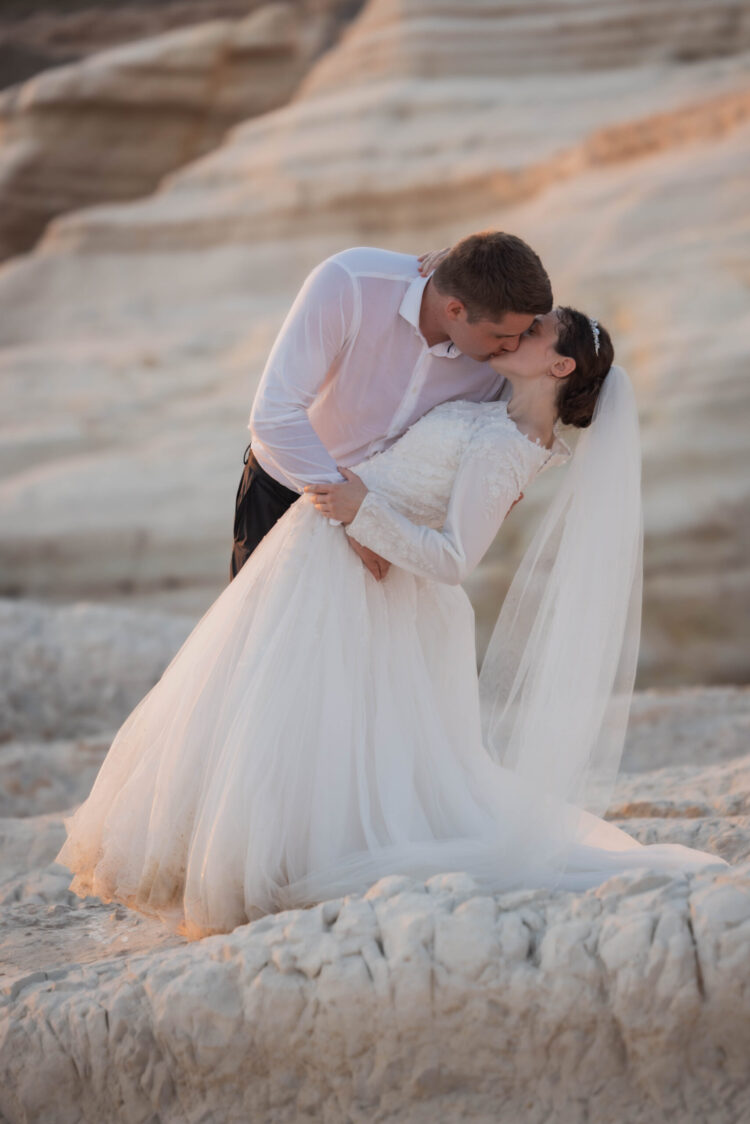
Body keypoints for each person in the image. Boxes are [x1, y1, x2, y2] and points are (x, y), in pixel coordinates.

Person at [54, 298, 729, 940]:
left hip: (355, 573)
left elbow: (454, 558)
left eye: (534, 332)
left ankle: (266, 866)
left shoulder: (511, 445)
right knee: (270, 711)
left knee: (299, 720)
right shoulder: (498, 408)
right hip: (323, 556)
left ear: (560, 366)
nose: (515, 332)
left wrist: (362, 514)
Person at [230, 232, 553, 580]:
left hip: (390, 533)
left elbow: (569, 353)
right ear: (455, 309)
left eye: (522, 334)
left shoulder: (505, 356)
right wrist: (353, 516)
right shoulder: (351, 282)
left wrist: (373, 523)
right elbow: (274, 415)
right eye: (502, 336)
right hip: (283, 493)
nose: (514, 346)